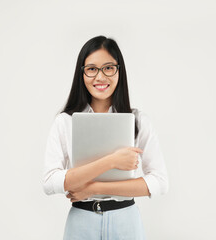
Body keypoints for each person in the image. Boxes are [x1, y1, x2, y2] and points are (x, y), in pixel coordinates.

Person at [43, 35, 169, 240]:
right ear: (81, 74)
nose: (100, 77)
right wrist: (112, 161)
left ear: (119, 71)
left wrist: (93, 188)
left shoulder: (139, 120)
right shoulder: (65, 122)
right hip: (81, 221)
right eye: (92, 69)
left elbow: (159, 182)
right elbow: (49, 182)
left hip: (126, 220)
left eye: (108, 68)